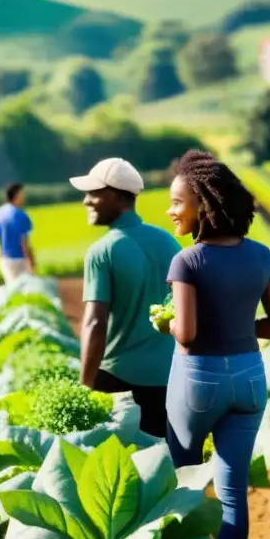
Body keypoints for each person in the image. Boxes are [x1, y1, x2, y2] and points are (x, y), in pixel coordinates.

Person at [163, 149, 270, 539]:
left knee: (184, 484)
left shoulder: (188, 261)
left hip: (199, 380)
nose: (171, 211)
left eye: (178, 202)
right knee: (234, 491)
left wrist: (168, 325)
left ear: (204, 204)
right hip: (251, 380)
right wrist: (237, 326)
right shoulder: (262, 255)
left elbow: (188, 334)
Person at [69, 157, 181, 439]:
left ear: (117, 197)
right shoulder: (168, 242)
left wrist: (85, 386)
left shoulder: (102, 251)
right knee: (166, 467)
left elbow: (95, 323)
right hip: (170, 377)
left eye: (94, 193)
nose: (86, 201)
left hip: (120, 381)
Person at [0, 182, 35, 285]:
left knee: (11, 288)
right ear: (17, 195)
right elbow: (24, 241)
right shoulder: (20, 215)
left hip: (5, 259)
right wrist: (31, 260)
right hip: (19, 260)